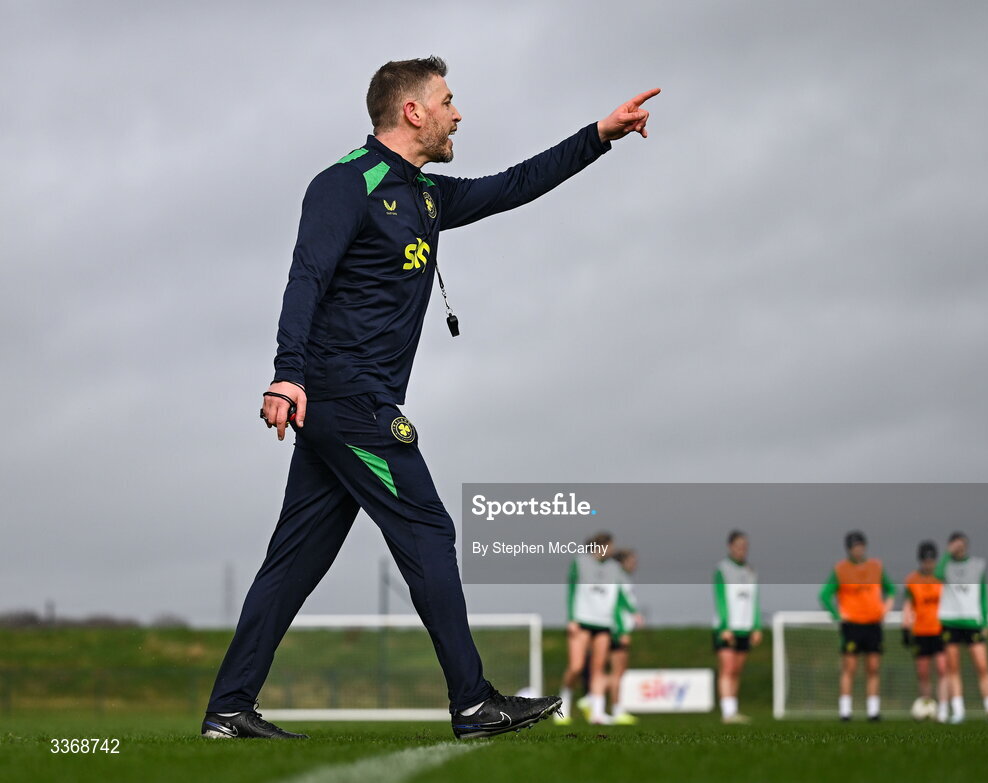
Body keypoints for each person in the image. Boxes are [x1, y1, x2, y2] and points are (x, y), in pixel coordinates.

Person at [200, 56, 660, 741]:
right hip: (348, 398)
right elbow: (306, 277)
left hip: (343, 406)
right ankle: (473, 702)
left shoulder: (425, 197)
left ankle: (228, 709)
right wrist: (285, 372)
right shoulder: (345, 185)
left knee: (294, 559)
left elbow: (516, 184)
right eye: (447, 99)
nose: (458, 112)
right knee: (428, 529)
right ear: (412, 110)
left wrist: (601, 134)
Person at [819, 531, 895, 721]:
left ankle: (873, 711)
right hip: (852, 625)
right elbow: (824, 595)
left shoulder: (876, 567)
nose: (858, 549)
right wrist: (837, 614)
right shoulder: (840, 569)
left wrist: (885, 608)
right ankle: (845, 711)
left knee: (873, 667)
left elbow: (892, 589)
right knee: (849, 668)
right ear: (849, 549)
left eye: (860, 545)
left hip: (873, 624)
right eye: (854, 546)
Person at [556, 532, 628, 725]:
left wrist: (621, 625)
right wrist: (571, 618)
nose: (611, 550)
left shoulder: (615, 568)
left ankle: (597, 713)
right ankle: (561, 706)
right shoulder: (579, 562)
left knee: (598, 669)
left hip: (604, 623)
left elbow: (619, 596)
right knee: (576, 666)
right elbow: (571, 590)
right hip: (582, 621)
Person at [937, 531, 988, 723]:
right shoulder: (945, 565)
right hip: (950, 622)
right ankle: (958, 710)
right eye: (954, 544)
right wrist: (947, 553)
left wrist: (985, 620)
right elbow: (936, 575)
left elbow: (984, 594)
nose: (958, 547)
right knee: (952, 668)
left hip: (972, 622)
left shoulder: (978, 565)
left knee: (982, 665)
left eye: (961, 544)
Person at [712, 530, 762, 724]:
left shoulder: (750, 571)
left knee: (737, 670)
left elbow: (754, 600)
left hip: (745, 627)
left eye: (745, 547)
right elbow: (721, 598)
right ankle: (727, 712)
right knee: (727, 667)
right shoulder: (722, 569)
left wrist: (756, 626)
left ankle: (734, 709)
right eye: (738, 546)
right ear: (730, 547)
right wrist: (725, 626)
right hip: (727, 627)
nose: (742, 550)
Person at [901, 540, 949, 721]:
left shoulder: (941, 579)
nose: (928, 564)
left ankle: (943, 709)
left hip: (940, 630)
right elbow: (908, 606)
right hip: (920, 631)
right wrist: (905, 628)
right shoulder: (912, 580)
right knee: (923, 672)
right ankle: (927, 706)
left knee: (943, 668)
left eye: (931, 560)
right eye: (925, 560)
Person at [608, 549, 642, 725]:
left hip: (622, 629)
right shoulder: (618, 578)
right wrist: (622, 631)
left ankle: (596, 698)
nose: (635, 563)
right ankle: (615, 709)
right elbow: (616, 605)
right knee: (617, 672)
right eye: (631, 560)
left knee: (619, 671)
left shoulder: (624, 579)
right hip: (618, 630)